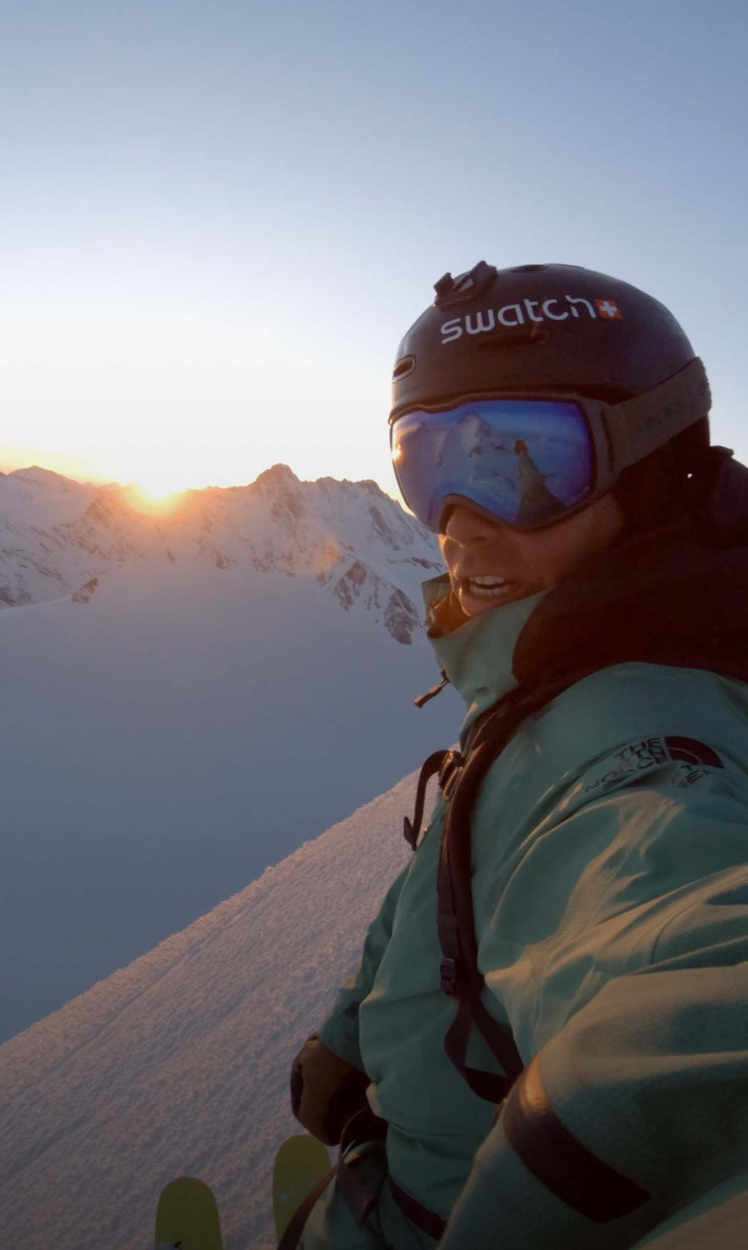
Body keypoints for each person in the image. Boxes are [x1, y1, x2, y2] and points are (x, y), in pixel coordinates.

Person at [286, 261, 748, 1248]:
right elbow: (452, 862)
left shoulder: (624, 738)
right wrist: (351, 1030)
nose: (463, 527)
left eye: (529, 464)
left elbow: (686, 952)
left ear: (653, 472)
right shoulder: (542, 670)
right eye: (428, 467)